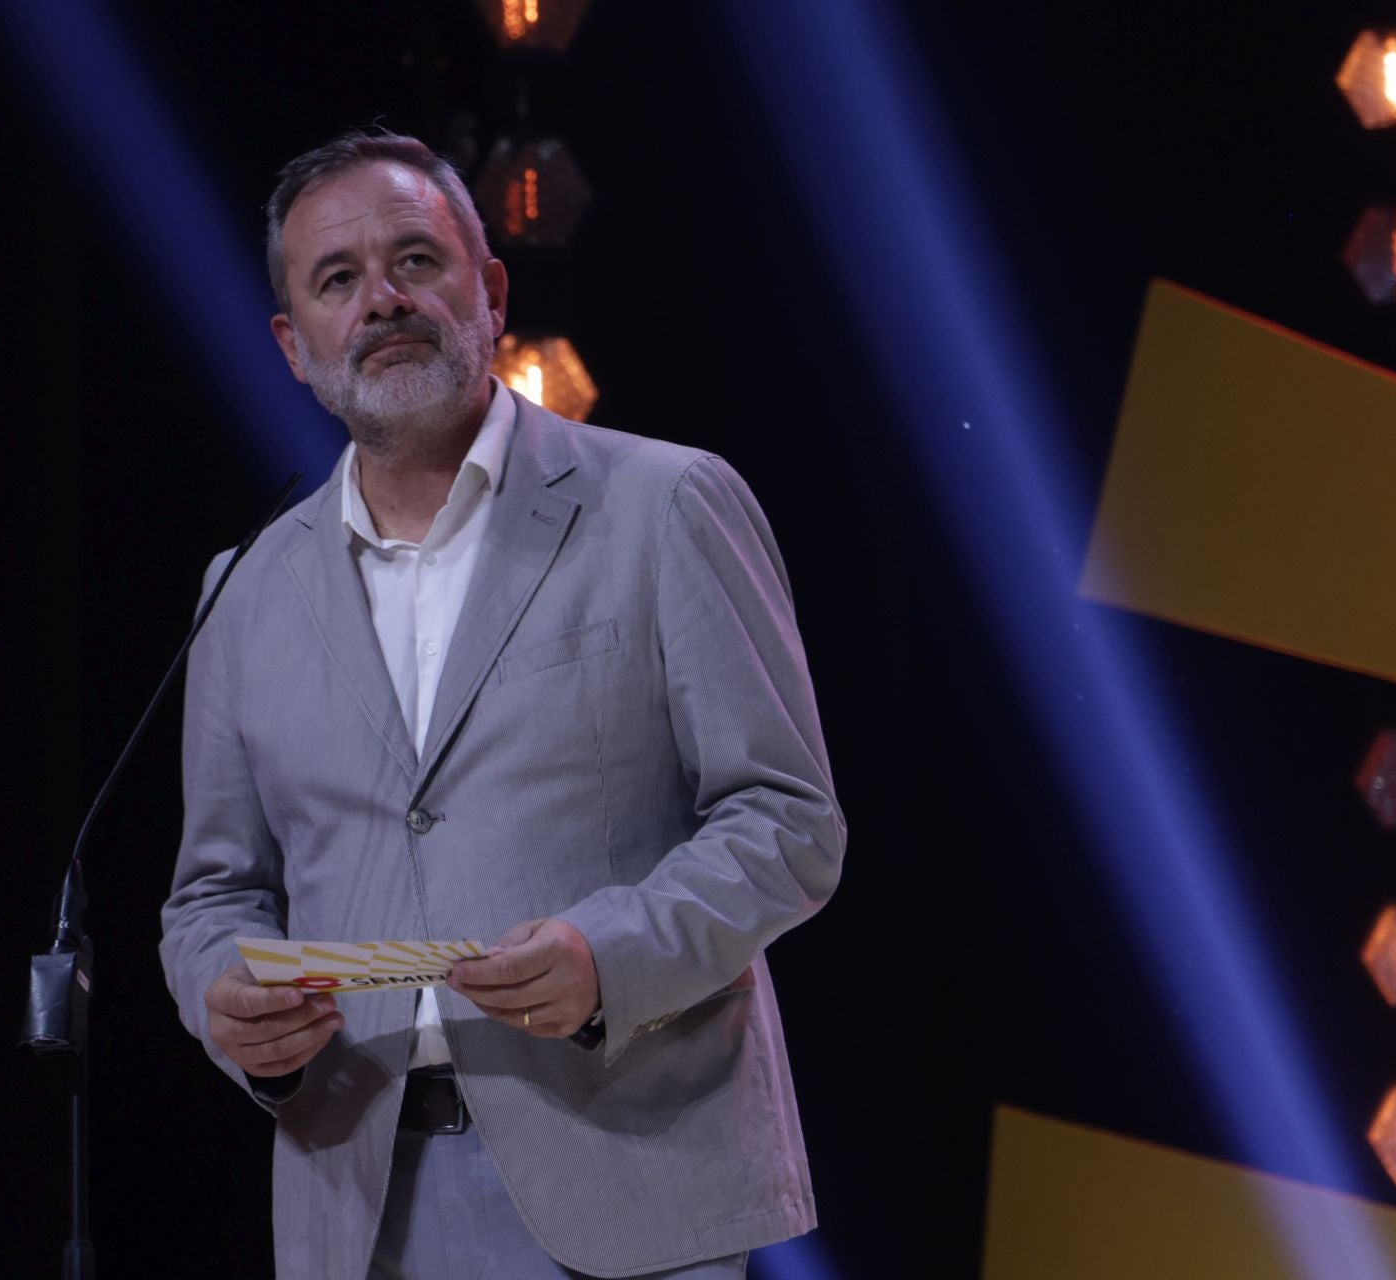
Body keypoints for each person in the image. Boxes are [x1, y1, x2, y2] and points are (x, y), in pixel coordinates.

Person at [159, 130, 845, 1280]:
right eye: (337, 280)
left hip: (630, 1181)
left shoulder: (665, 504)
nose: (382, 299)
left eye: (416, 259)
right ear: (293, 344)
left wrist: (604, 955)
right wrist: (230, 1005)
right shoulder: (243, 590)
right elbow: (213, 893)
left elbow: (788, 820)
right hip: (358, 1199)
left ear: (490, 289)